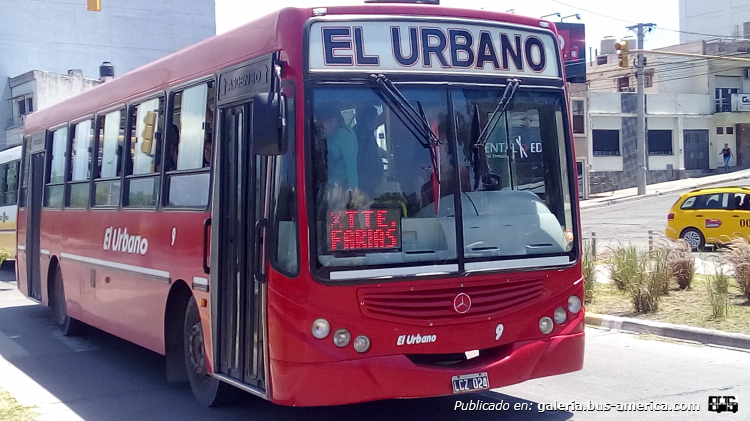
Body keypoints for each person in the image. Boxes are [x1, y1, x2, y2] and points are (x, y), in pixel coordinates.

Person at [317, 107, 358, 191]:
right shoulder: (330, 136)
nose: (321, 128)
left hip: (341, 187)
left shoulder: (344, 136)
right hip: (329, 184)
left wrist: (353, 191)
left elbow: (351, 164)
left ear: (333, 121)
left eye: (322, 124)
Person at [353, 104, 386, 199]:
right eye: (374, 118)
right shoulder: (361, 133)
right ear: (367, 119)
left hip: (370, 181)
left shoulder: (366, 132)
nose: (376, 120)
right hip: (365, 182)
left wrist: (387, 155)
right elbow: (366, 154)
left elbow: (373, 149)